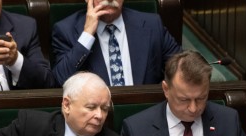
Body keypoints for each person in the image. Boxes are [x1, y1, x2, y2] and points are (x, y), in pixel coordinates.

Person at [51, 0, 181, 87]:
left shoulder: (152, 24)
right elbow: (60, 80)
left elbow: (182, 66)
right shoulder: (65, 30)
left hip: (145, 113)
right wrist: (87, 35)